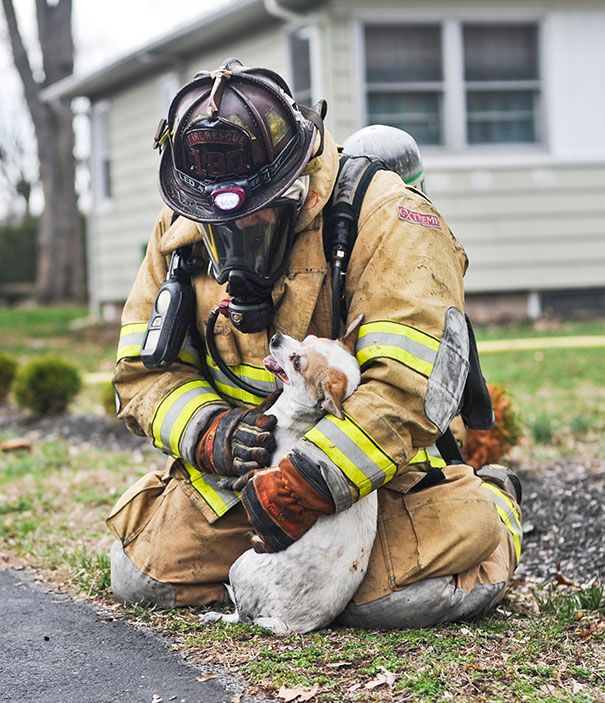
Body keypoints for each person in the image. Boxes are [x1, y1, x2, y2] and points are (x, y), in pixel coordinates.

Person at [107, 58, 522, 628]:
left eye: (252, 221)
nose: (231, 244)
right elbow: (141, 374)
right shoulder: (180, 229)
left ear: (296, 187)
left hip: (373, 477)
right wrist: (209, 431)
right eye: (215, 223)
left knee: (389, 603)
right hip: (245, 479)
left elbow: (411, 388)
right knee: (145, 578)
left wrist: (310, 481)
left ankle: (496, 506)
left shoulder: (387, 217)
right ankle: (264, 558)